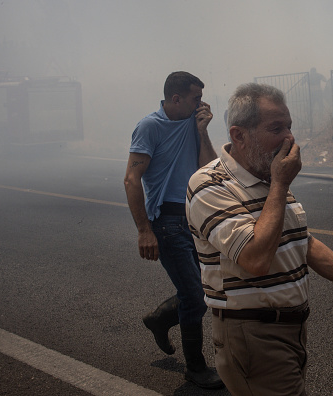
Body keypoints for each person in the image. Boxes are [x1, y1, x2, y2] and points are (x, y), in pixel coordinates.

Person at [186, 83, 333, 395]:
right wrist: (280, 182)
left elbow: (303, 243)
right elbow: (256, 258)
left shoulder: (269, 177)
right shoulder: (209, 185)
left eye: (289, 127)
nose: (289, 138)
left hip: (289, 331)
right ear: (239, 135)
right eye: (276, 128)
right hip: (252, 335)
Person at [123, 71, 222, 389]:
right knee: (195, 296)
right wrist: (144, 231)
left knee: (202, 291)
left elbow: (209, 171)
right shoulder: (150, 126)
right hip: (166, 222)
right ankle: (195, 368)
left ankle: (161, 318)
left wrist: (203, 130)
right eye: (195, 99)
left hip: (194, 219)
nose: (201, 104)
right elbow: (131, 178)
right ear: (176, 98)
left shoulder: (193, 123)